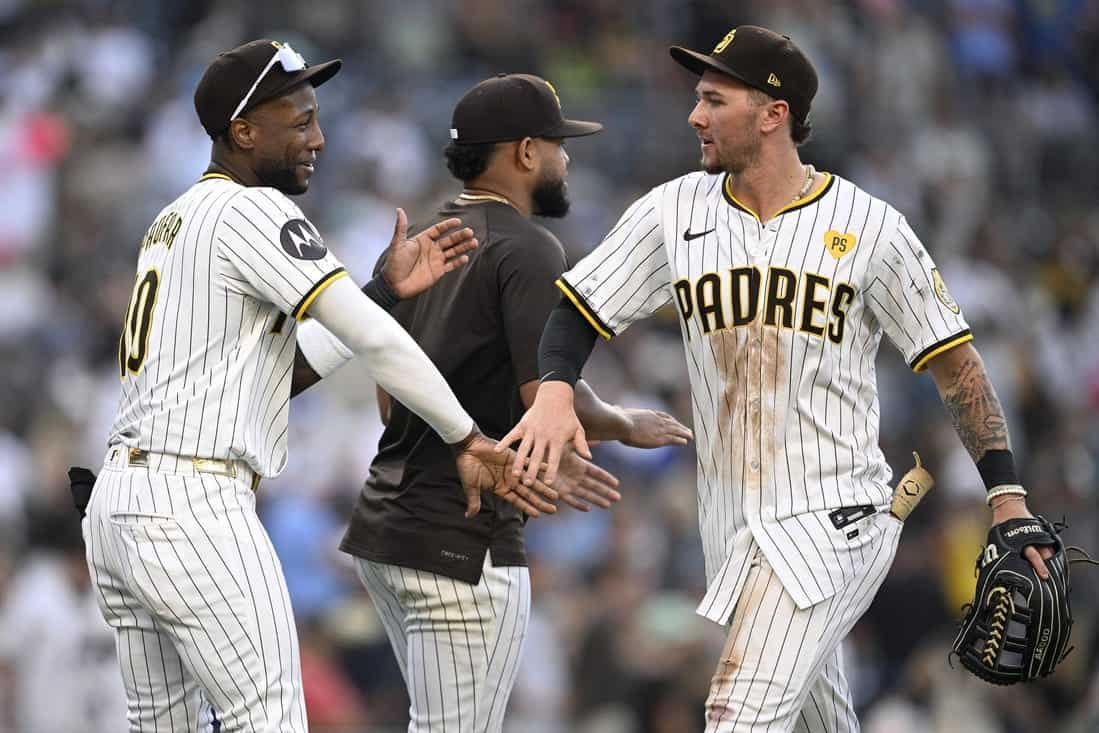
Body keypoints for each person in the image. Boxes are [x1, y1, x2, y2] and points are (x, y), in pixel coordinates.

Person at [499, 26, 1055, 732]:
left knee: (736, 716)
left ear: (773, 111)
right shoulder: (673, 212)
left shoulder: (869, 225)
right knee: (819, 720)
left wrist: (1004, 492)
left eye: (712, 99)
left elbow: (954, 364)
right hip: (734, 533)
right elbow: (576, 312)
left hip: (838, 516)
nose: (694, 116)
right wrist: (553, 393)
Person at [83, 40, 556, 733]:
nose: (318, 137)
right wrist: (463, 432)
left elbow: (278, 375)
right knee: (269, 718)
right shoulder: (250, 210)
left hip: (120, 504)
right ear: (243, 132)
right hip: (191, 501)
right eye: (298, 121)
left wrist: (384, 289)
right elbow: (372, 339)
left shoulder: (174, 218)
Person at [293, 73, 693, 732]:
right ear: (526, 152)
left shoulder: (425, 240)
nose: (566, 160)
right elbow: (547, 400)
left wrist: (616, 422)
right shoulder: (528, 248)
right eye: (559, 146)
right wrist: (565, 445)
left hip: (384, 530)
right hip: (461, 535)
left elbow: (393, 400)